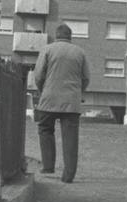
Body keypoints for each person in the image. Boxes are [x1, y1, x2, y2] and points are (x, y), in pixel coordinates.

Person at [33, 23, 90, 184]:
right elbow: (86, 78)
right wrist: (79, 91)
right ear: (70, 36)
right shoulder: (80, 52)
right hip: (71, 102)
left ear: (56, 35)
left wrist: (42, 89)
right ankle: (68, 175)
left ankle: (48, 165)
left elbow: (38, 75)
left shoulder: (47, 50)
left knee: (45, 128)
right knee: (70, 137)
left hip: (49, 99)